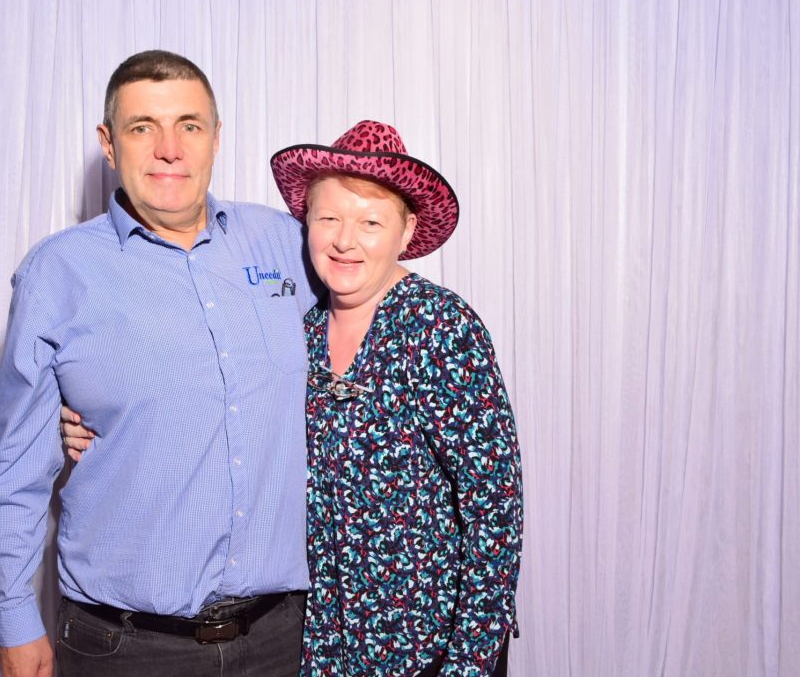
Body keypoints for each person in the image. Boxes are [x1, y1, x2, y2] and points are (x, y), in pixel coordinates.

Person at [66, 120, 523, 677]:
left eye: (371, 222)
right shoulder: (296, 326)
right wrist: (86, 411)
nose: (345, 240)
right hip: (323, 645)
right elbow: (216, 383)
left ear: (406, 232)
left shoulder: (441, 326)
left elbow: (495, 509)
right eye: (328, 218)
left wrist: (469, 662)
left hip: (427, 646)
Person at [0, 50, 318, 677]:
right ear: (109, 143)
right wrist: (14, 621)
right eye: (142, 127)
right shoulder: (58, 273)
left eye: (189, 125)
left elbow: (368, 330)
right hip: (127, 648)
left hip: (281, 641)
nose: (169, 149)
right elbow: (13, 470)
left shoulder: (286, 243)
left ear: (216, 137)